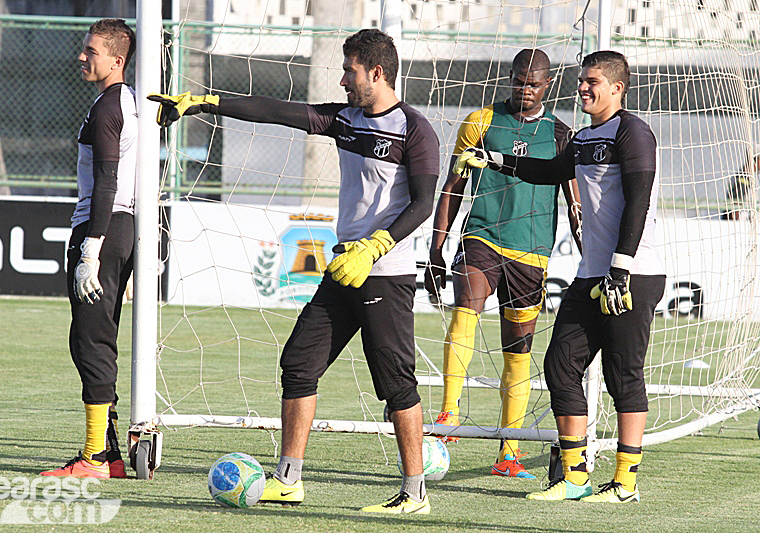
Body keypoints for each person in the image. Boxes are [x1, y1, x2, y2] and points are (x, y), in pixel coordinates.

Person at [149, 29, 440, 514]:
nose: (343, 79)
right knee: (299, 363)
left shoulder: (415, 128)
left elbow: (424, 202)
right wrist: (206, 102)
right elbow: (275, 111)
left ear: (377, 72)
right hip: (343, 267)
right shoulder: (344, 119)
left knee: (395, 383)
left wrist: (374, 247)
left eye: (350, 70)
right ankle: (288, 480)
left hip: (384, 271)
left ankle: (415, 493)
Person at [454, 50, 665, 503]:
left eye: (592, 82)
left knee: (622, 376)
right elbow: (550, 171)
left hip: (633, 274)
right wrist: (493, 158)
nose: (583, 88)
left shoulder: (634, 132)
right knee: (559, 366)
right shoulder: (586, 137)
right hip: (592, 275)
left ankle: (625, 483)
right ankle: (574, 476)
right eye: (582, 81)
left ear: (616, 88)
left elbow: (639, 201)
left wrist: (620, 268)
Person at [425, 49, 581, 480]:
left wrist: (594, 257)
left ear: (547, 85)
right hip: (482, 237)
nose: (523, 89)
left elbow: (575, 203)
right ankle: (449, 413)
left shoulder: (562, 135)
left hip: (531, 253)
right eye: (517, 80)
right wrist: (437, 249)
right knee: (466, 309)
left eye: (532, 83)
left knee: (518, 353)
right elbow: (452, 188)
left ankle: (508, 454)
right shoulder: (481, 122)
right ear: (509, 78)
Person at [41, 19, 137, 479]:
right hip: (126, 226)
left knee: (91, 341)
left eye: (91, 51)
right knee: (98, 339)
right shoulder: (129, 102)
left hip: (102, 226)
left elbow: (107, 181)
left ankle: (94, 457)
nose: (82, 57)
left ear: (116, 60)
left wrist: (90, 251)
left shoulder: (107, 110)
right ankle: (112, 454)